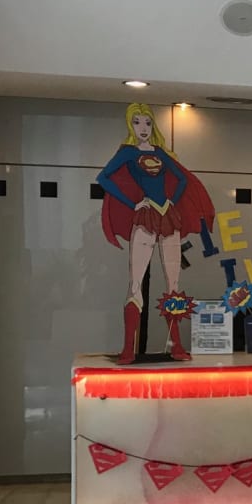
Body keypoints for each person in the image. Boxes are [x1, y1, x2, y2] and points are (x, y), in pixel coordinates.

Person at [98, 102, 215, 364]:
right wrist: (133, 203)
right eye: (137, 122)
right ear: (130, 124)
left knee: (174, 286)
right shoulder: (128, 153)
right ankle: (128, 349)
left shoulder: (160, 153)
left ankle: (176, 346)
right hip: (146, 216)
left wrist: (172, 200)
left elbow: (182, 179)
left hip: (167, 215)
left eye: (147, 122)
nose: (143, 127)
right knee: (135, 284)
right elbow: (104, 178)